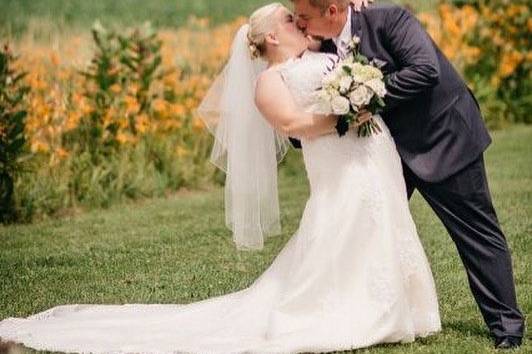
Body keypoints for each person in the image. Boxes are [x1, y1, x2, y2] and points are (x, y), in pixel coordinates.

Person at [0, 2, 441, 353]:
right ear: (272, 35)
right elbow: (294, 124)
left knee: (381, 221)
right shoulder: (270, 81)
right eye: (290, 18)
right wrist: (347, 111)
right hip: (338, 161)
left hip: (371, 153)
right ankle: (352, 309)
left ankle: (404, 308)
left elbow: (344, 31)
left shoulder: (322, 53)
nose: (297, 18)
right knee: (342, 226)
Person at [287, 0, 525, 349]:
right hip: (383, 153)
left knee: (475, 234)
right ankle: (364, 317)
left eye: (304, 17)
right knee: (361, 229)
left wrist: (365, 98)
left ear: (334, 11)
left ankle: (507, 327)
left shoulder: (388, 18)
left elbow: (425, 69)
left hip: (443, 138)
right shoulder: (320, 45)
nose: (299, 24)